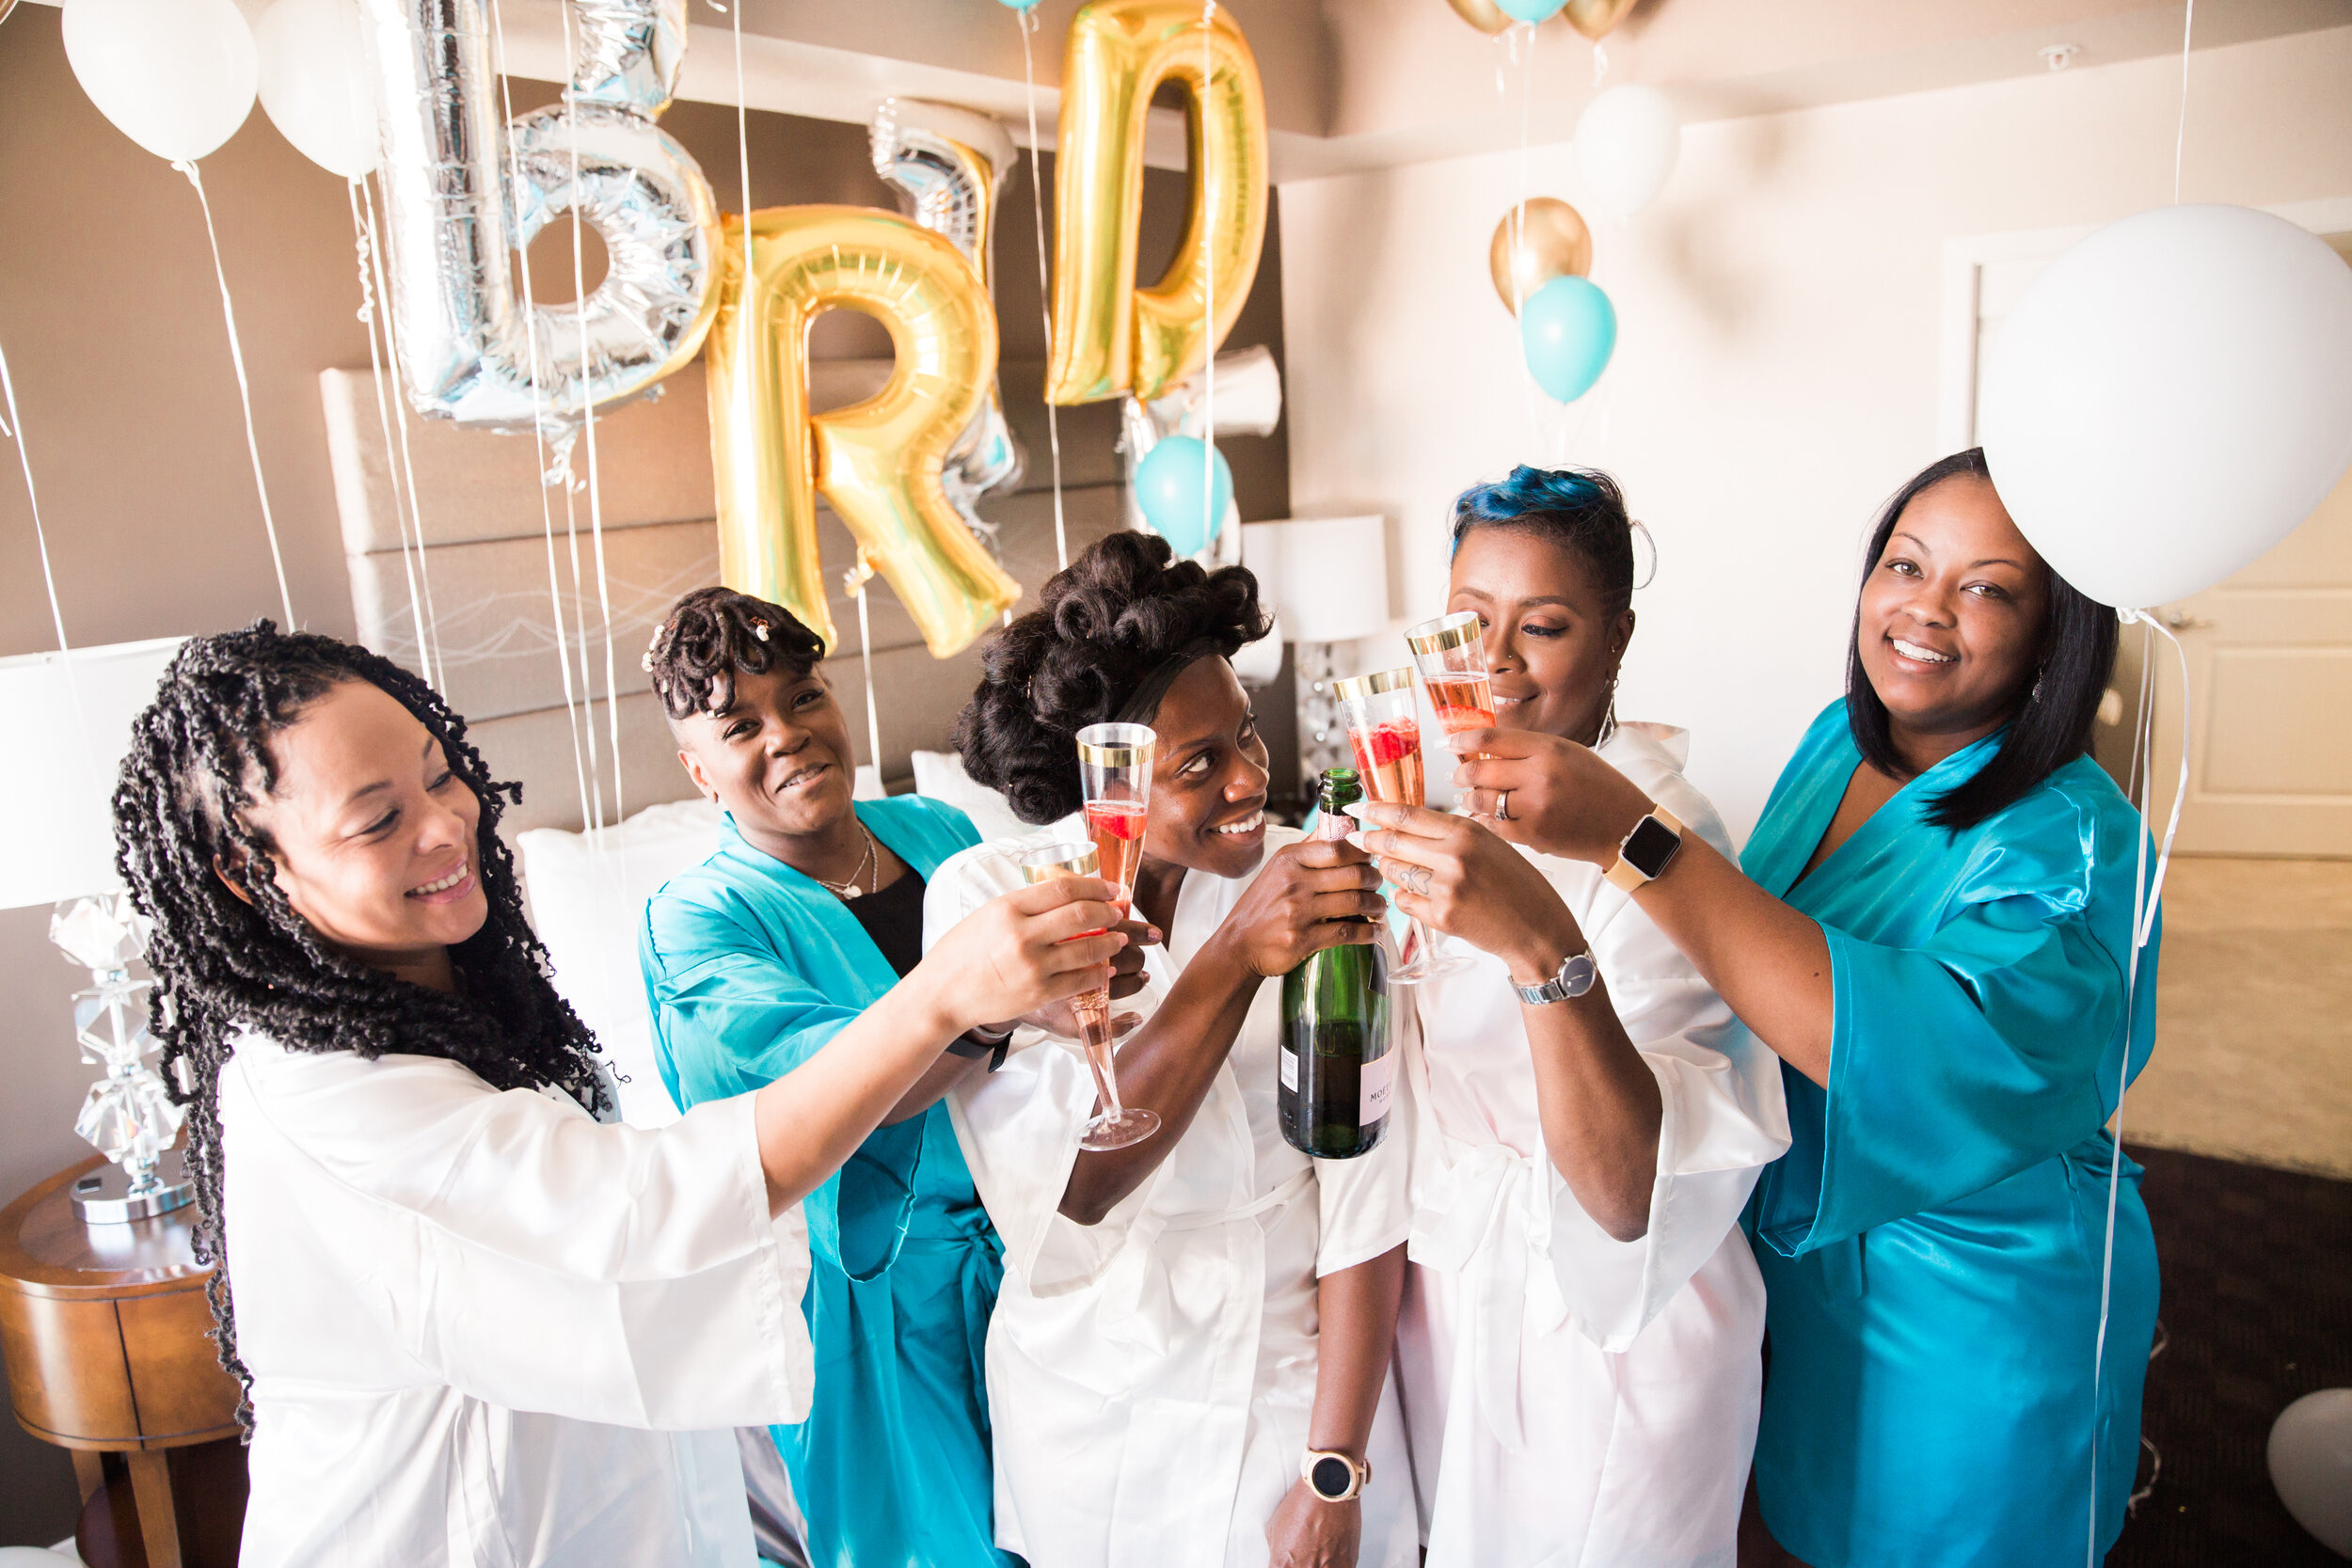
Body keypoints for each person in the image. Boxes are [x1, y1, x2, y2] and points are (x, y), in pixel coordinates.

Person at [112, 622, 1122, 1568]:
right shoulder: (327, 1095)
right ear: (248, 876)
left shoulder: (462, 1005)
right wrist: (944, 993)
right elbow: (645, 1202)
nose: (446, 825)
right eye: (379, 819)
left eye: (438, 773)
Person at [1429, 450, 2160, 1567]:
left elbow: (1922, 1056)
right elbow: (1748, 965)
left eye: (1987, 586)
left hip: (1964, 1293)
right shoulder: (1840, 739)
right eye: (1906, 563)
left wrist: (1630, 844)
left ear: (2055, 632)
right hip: (1796, 1257)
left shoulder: (2074, 837)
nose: (1924, 607)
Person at [927, 532, 1421, 1568]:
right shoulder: (990, 907)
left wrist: (1333, 1465)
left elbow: (1366, 1191)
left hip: (1283, 1401)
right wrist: (1236, 957)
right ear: (1104, 781)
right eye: (1200, 763)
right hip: (1094, 1416)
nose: (1252, 778)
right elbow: (1074, 1184)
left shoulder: (1316, 880)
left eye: (1246, 733)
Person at [636, 588, 1141, 1566]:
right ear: (698, 766)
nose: (788, 736)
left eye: (804, 698)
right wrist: (987, 1005)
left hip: (1025, 1240)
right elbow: (829, 1093)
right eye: (741, 724)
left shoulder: (935, 829)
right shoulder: (697, 923)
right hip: (872, 1300)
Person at [1341, 467, 1789, 1566]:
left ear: (1616, 638)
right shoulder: (1425, 798)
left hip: (1610, 1324)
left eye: (1540, 626)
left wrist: (1538, 942)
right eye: (1464, 621)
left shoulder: (1666, 837)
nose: (1490, 662)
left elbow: (1626, 1193)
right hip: (1452, 1292)